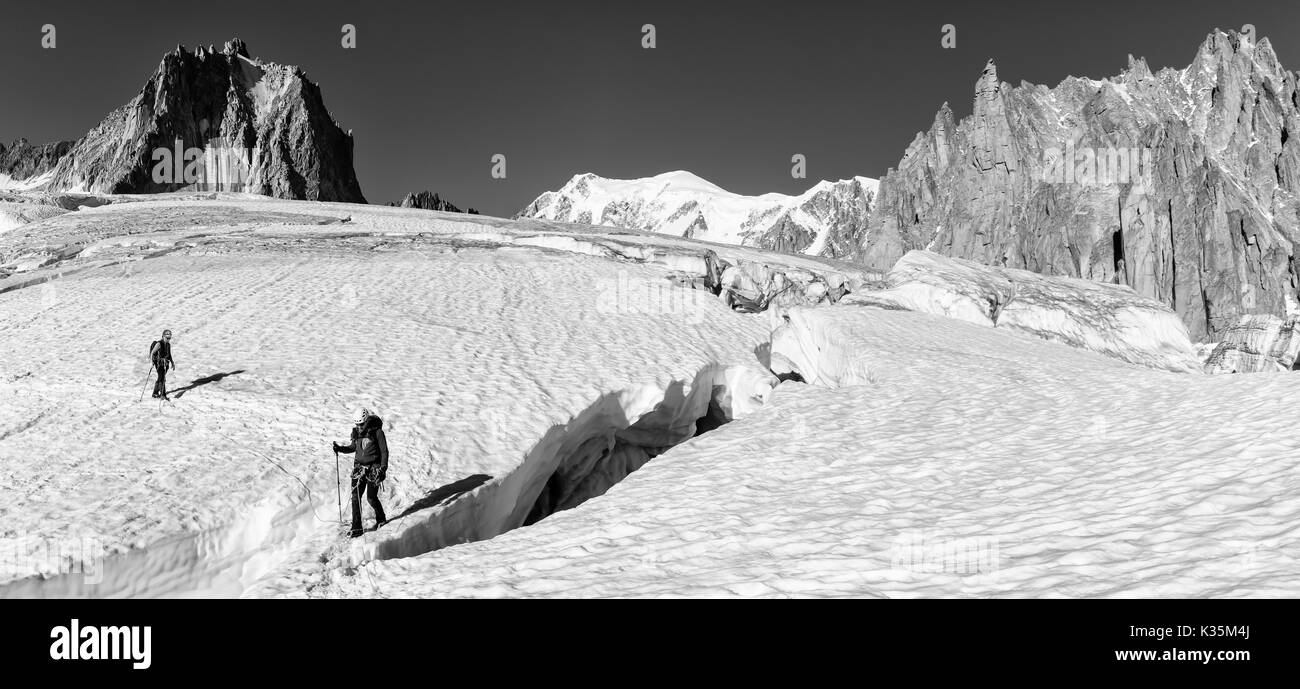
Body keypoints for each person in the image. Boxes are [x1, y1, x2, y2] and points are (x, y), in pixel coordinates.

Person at [333, 408, 389, 537]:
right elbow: (353, 447)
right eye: (357, 424)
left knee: (371, 497)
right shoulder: (357, 432)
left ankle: (381, 518)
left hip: (374, 469)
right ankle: (356, 527)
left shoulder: (377, 432)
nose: (359, 427)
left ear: (366, 421)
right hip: (359, 468)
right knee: (355, 497)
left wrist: (383, 468)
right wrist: (340, 448)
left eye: (361, 424)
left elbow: (384, 451)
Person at [149, 330, 176, 399]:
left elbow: (169, 354)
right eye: (167, 338)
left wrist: (172, 362)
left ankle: (155, 393)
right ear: (163, 336)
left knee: (160, 377)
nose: (168, 340)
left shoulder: (168, 345)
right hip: (158, 363)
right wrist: (151, 362)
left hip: (165, 364)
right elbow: (152, 353)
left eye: (170, 338)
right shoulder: (159, 344)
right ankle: (163, 394)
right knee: (162, 378)